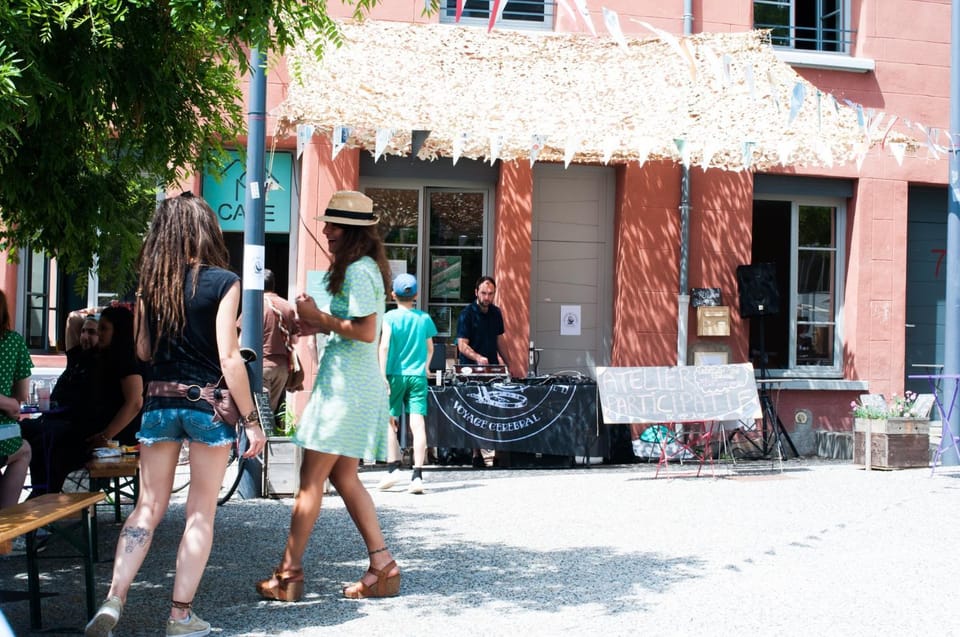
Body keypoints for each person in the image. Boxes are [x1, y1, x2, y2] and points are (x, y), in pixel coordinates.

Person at [85, 192, 266, 637]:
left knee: (147, 507)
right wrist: (252, 421)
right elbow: (229, 357)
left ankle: (114, 597)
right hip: (204, 405)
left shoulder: (151, 285)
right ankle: (180, 616)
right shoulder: (224, 281)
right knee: (200, 513)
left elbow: (144, 351)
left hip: (159, 403)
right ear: (205, 229)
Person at [256, 190, 398, 602]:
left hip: (345, 389)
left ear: (353, 231)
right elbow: (354, 327)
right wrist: (314, 324)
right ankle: (382, 564)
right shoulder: (364, 268)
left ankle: (289, 574)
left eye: (334, 225)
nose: (326, 231)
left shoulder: (358, 271)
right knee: (343, 476)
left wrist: (319, 318)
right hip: (351, 385)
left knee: (310, 480)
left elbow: (366, 332)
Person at [22, 304, 145, 498]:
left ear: (118, 331)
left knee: (51, 442)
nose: (99, 333)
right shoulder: (94, 356)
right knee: (31, 433)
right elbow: (74, 320)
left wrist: (105, 436)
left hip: (110, 435)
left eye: (104, 329)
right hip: (83, 427)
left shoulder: (126, 361)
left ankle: (44, 499)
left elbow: (134, 403)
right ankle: (39, 496)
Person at [377, 273, 437, 494]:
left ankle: (393, 468)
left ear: (393, 295)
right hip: (417, 376)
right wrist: (426, 366)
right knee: (418, 423)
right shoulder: (424, 318)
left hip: (394, 373)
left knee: (389, 420)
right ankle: (417, 475)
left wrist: (382, 374)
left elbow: (384, 346)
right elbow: (430, 348)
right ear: (416, 295)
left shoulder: (389, 317)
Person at [456, 275, 509, 468]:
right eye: (484, 293)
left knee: (495, 411)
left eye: (491, 293)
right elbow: (462, 345)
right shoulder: (467, 314)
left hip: (492, 369)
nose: (487, 297)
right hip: (471, 370)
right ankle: (476, 453)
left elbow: (500, 340)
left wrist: (509, 365)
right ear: (476, 292)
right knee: (474, 411)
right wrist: (478, 358)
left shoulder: (496, 313)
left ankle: (497, 453)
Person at [0, 290, 32, 508]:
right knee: (23, 451)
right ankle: (6, 522)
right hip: (3, 430)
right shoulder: (13, 342)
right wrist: (9, 403)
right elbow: (22, 395)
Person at [260, 268, 300, 413]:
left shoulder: (255, 305)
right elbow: (295, 340)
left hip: (261, 365)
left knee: (260, 412)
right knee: (270, 410)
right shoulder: (287, 306)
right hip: (282, 367)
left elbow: (241, 341)